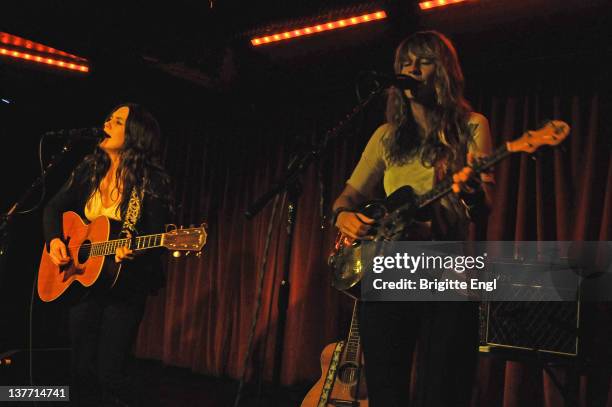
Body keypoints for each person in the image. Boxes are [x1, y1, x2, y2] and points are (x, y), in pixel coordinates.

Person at [332, 31, 494, 406]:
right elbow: (348, 196)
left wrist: (469, 190)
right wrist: (344, 216)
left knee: (443, 389)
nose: (412, 69)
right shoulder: (386, 137)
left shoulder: (471, 126)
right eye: (405, 63)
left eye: (423, 61)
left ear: (445, 72)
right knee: (386, 388)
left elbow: (483, 209)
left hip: (446, 272)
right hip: (388, 270)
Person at [43, 103, 173, 406]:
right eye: (108, 119)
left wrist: (133, 251)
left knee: (109, 375)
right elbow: (52, 208)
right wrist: (54, 243)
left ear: (135, 134)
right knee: (80, 370)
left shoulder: (150, 180)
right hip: (83, 281)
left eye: (117, 121)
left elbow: (156, 235)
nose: (107, 124)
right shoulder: (90, 168)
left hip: (125, 287)